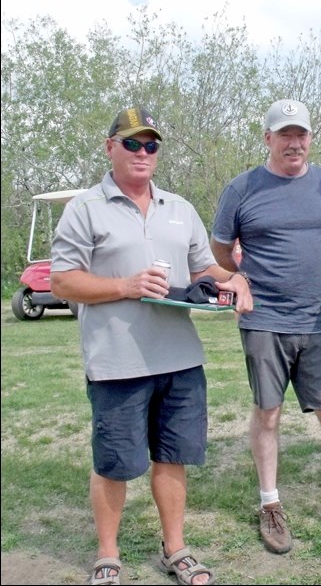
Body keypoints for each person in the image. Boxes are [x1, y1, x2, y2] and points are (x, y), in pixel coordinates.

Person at [51, 106, 253, 585]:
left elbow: (205, 270)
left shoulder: (180, 209)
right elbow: (62, 281)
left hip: (180, 359)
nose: (143, 153)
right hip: (116, 363)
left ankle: (176, 549)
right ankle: (107, 555)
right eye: (132, 143)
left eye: (151, 145)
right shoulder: (85, 208)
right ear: (110, 148)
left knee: (173, 457)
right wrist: (126, 287)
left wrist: (236, 280)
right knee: (115, 464)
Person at [209, 99, 321, 554]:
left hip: (320, 321)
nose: (294, 143)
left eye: (301, 134)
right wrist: (240, 281)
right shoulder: (242, 188)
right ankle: (269, 503)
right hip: (265, 321)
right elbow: (219, 249)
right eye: (284, 134)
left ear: (310, 138)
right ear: (267, 138)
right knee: (268, 412)